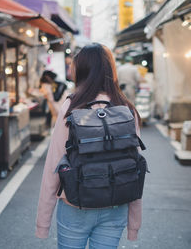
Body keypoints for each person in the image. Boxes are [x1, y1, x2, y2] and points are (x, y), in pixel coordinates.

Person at [36, 43, 142, 248]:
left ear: (82, 70)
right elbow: (135, 166)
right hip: (116, 204)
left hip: (76, 204)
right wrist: (134, 223)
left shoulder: (72, 106)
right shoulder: (126, 108)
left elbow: (54, 164)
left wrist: (43, 223)